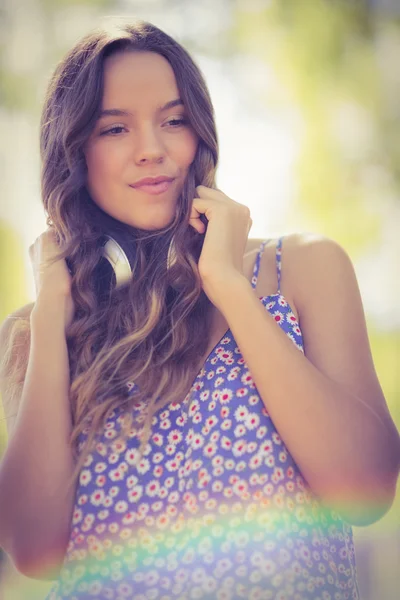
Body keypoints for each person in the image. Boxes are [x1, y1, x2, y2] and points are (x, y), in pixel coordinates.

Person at [0, 20, 399, 600]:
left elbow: (367, 487)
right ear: (75, 156)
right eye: (115, 128)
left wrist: (229, 286)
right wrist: (51, 310)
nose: (152, 150)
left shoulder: (304, 270)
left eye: (174, 120)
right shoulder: (37, 334)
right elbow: (33, 553)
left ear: (201, 133)